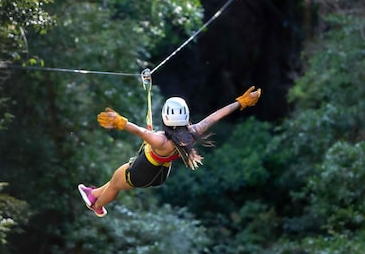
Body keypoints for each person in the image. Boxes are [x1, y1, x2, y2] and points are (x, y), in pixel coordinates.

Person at [78, 86, 261, 217]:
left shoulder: (160, 140)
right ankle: (92, 194)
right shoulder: (192, 134)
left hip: (141, 172)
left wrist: (120, 122)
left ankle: (97, 205)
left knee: (115, 183)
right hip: (159, 175)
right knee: (115, 182)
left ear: (165, 118)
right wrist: (240, 103)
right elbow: (215, 116)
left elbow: (139, 131)